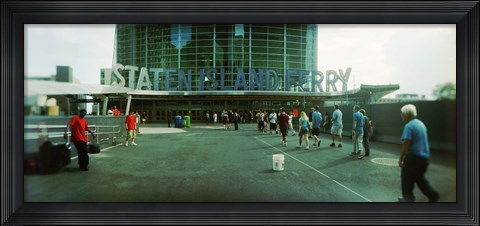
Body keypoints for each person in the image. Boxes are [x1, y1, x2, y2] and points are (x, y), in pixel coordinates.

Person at [398, 104, 439, 202]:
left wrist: (400, 159)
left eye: (402, 113)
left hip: (413, 157)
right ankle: (432, 194)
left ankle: (408, 198)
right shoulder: (421, 124)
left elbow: (406, 143)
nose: (401, 115)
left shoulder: (409, 126)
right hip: (424, 158)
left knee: (406, 177)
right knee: (419, 177)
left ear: (407, 115)